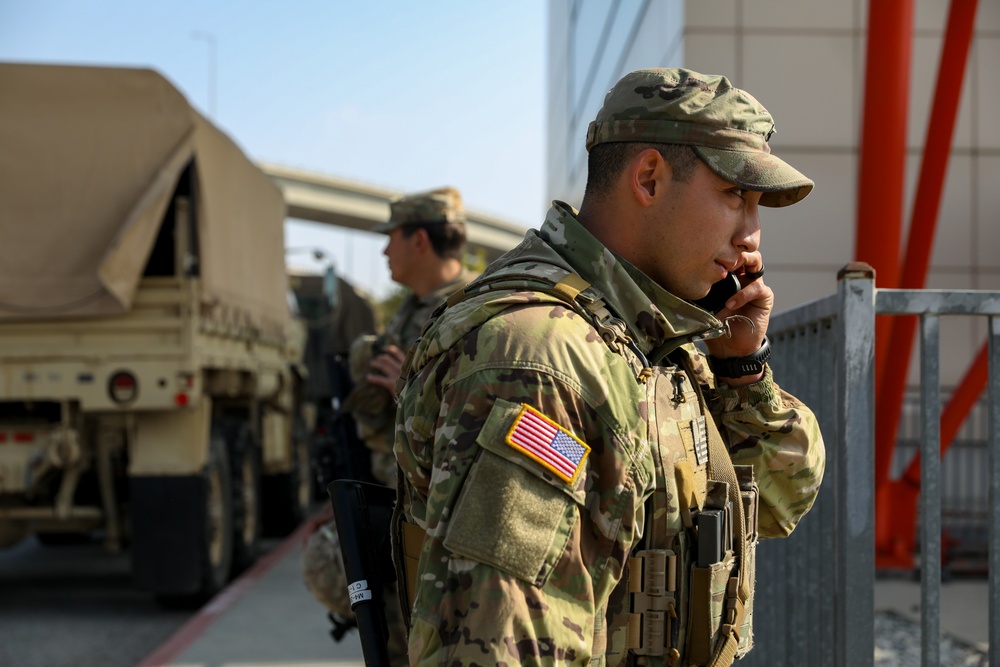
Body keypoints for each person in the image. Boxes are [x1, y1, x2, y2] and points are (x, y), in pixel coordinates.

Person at [391, 68, 826, 666]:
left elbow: (781, 499)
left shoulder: (644, 337)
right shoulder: (543, 359)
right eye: (735, 196)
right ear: (648, 178)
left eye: (757, 206)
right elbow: (502, 649)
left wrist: (741, 368)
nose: (752, 237)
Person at [302, 186, 474, 666]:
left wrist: (410, 390)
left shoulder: (469, 312)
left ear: (419, 240)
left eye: (391, 237)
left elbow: (473, 420)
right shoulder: (411, 312)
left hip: (435, 518)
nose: (383, 249)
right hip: (391, 504)